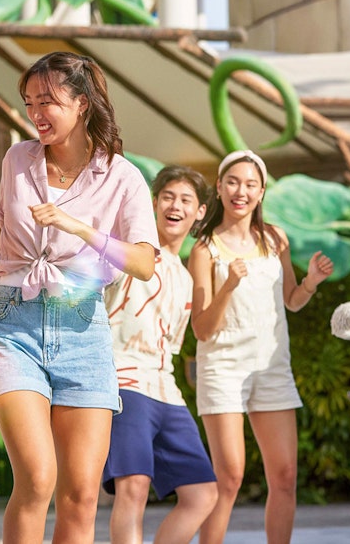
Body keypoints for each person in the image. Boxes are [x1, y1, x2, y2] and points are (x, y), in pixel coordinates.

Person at [0, 51, 159, 543]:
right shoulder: (18, 159)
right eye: (29, 102)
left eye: (49, 101)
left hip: (83, 329)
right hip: (11, 325)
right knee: (38, 479)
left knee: (81, 495)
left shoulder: (122, 177)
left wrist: (81, 228)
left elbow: (144, 262)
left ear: (81, 103)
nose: (36, 112)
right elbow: (6, 236)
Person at [187, 150, 333, 544]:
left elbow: (291, 300)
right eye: (233, 182)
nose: (241, 191)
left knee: (285, 476)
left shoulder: (274, 239)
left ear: (262, 191)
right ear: (219, 187)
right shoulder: (205, 250)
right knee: (230, 476)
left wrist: (311, 283)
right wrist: (228, 286)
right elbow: (201, 328)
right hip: (223, 368)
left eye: (251, 184)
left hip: (271, 367)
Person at [102, 165, 219, 544]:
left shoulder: (185, 276)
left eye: (186, 200)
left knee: (203, 494)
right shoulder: (132, 254)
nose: (176, 206)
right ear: (154, 203)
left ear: (200, 212)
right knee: (133, 487)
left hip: (166, 389)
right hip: (124, 382)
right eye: (168, 197)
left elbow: (173, 345)